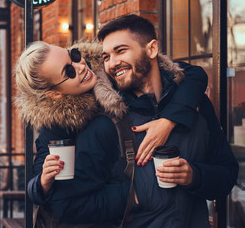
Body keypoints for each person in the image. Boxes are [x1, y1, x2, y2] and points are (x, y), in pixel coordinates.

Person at [15, 39, 208, 225]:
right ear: (55, 94)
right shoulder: (57, 123)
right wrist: (43, 181)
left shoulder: (105, 63)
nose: (80, 65)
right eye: (69, 71)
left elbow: (192, 74)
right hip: (119, 210)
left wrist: (168, 121)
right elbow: (47, 193)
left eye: (73, 55)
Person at [96, 14, 239, 227]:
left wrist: (194, 176)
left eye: (121, 51)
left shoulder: (194, 103)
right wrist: (133, 196)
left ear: (152, 49)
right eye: (106, 56)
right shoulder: (107, 116)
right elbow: (84, 195)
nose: (112, 63)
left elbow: (227, 174)